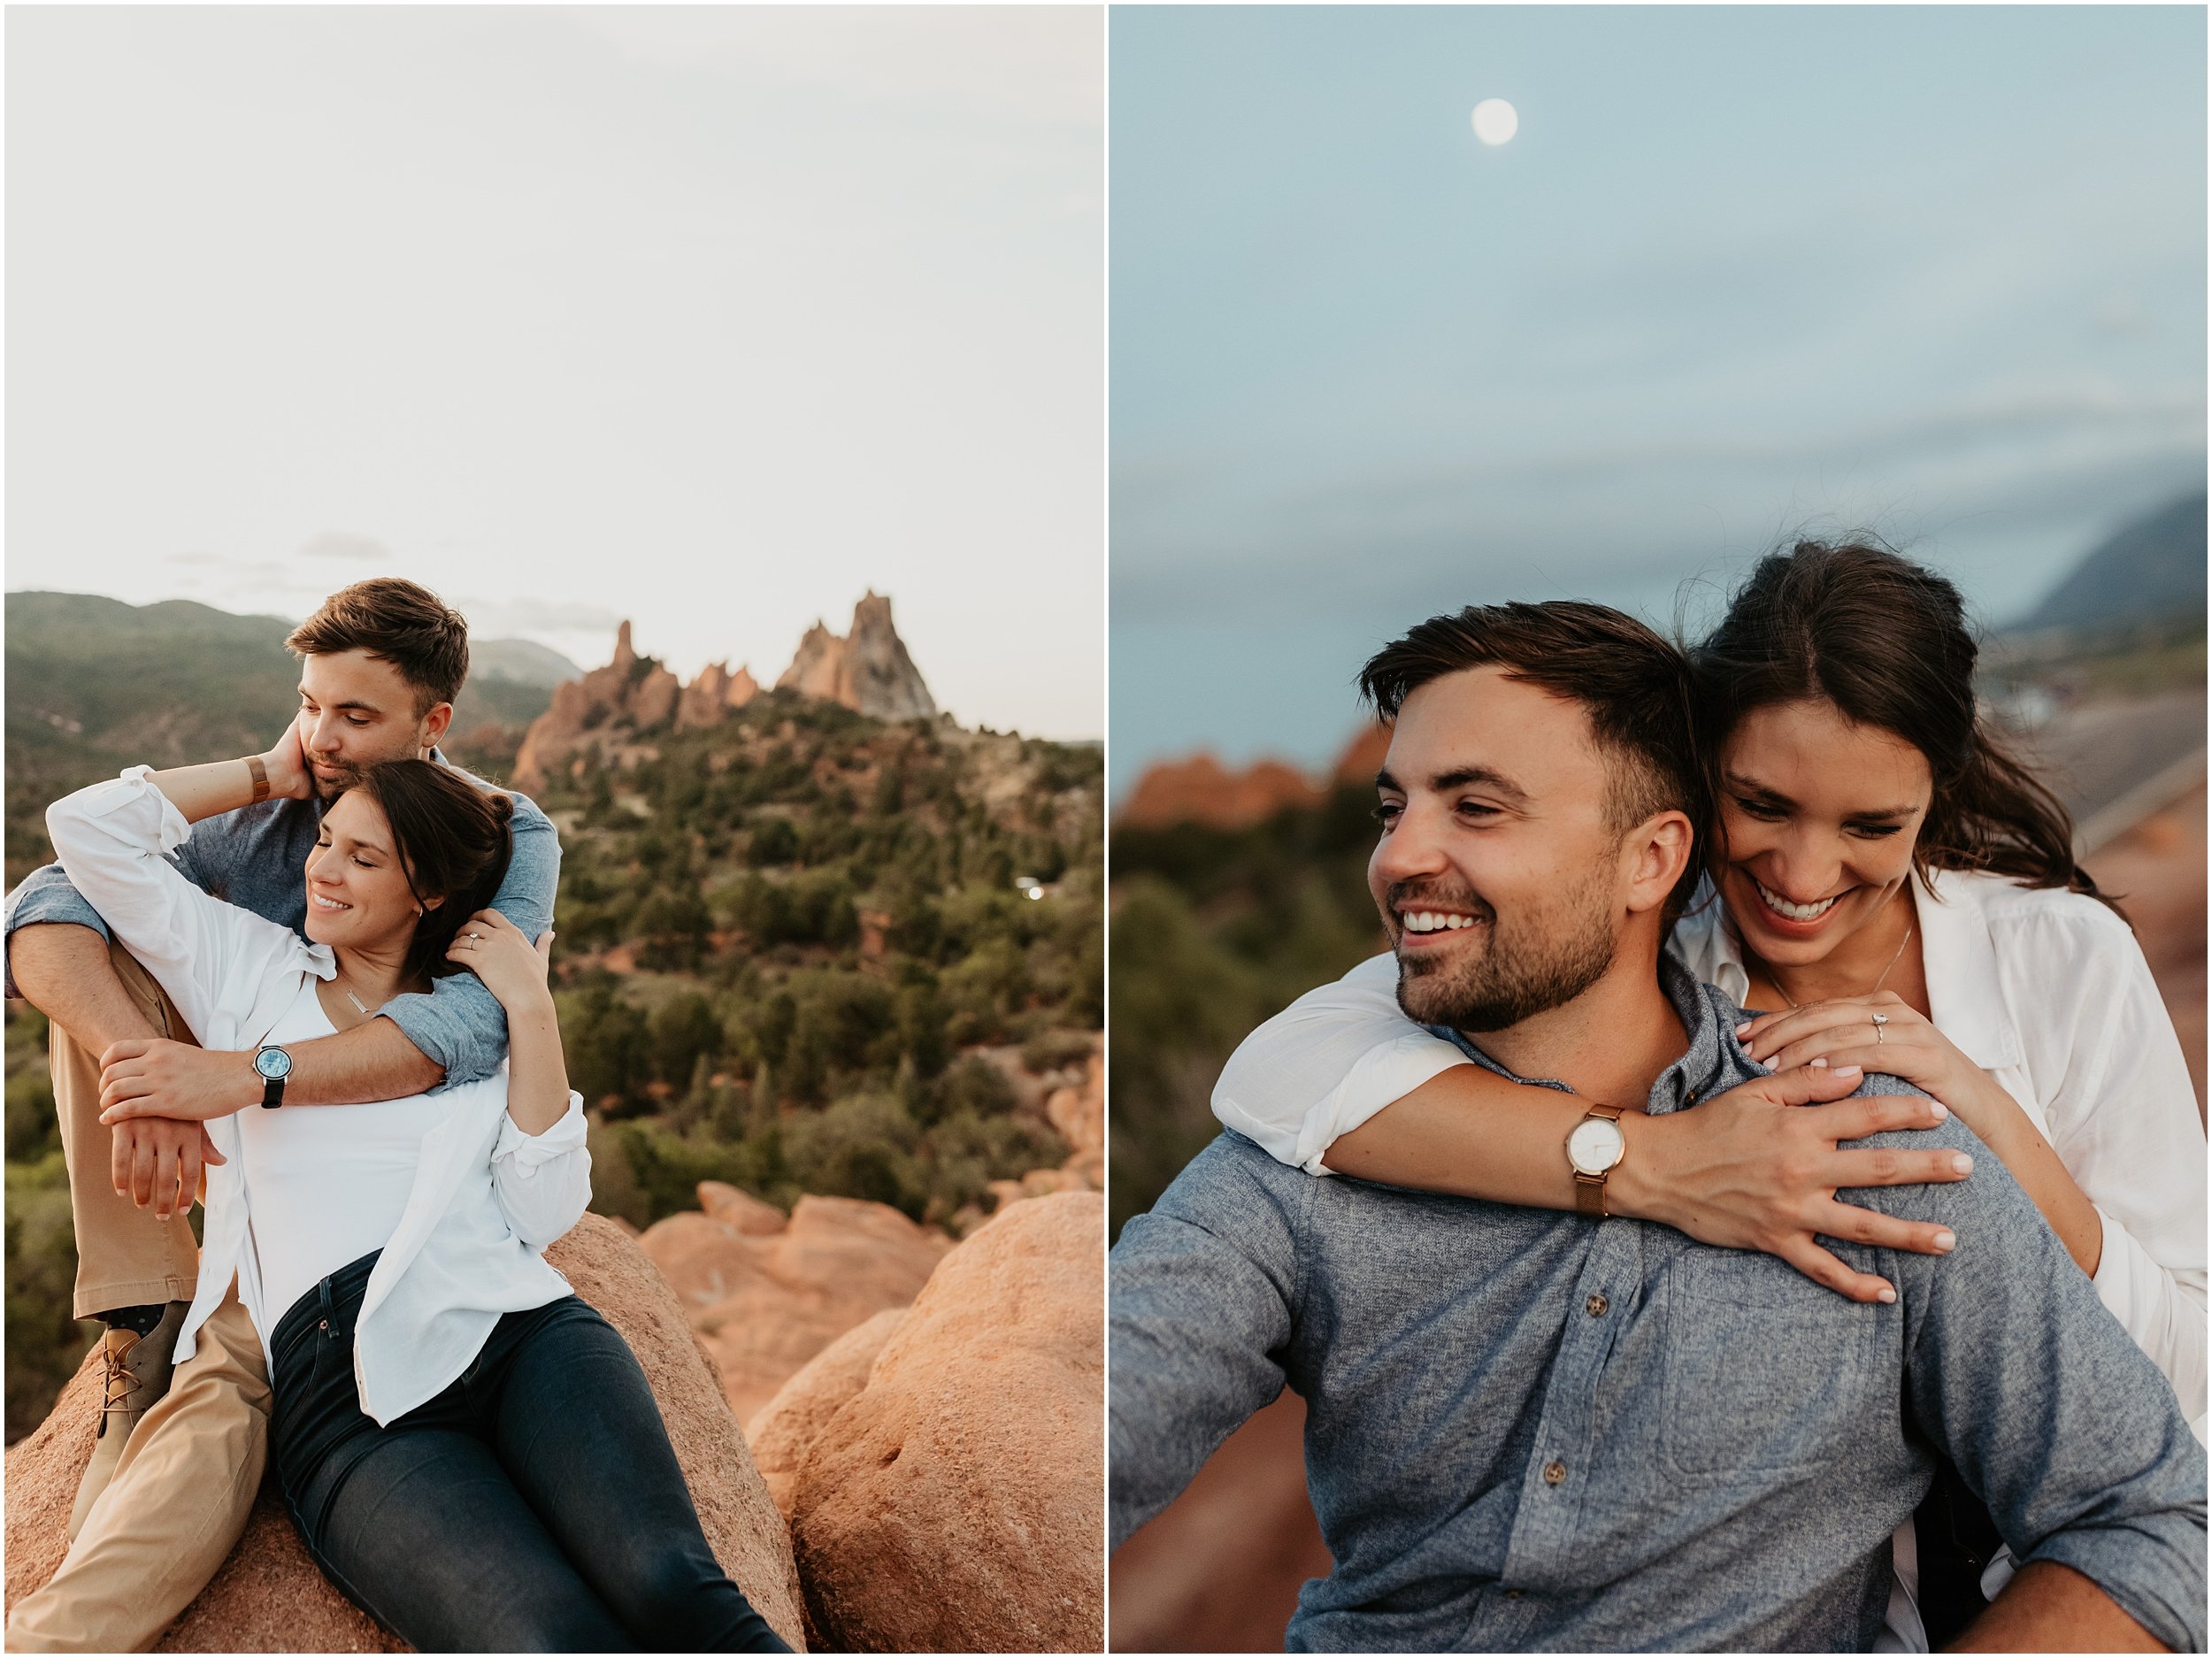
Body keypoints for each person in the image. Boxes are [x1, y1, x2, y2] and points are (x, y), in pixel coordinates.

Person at [1109, 601, 2206, 1652]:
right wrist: (1645, 1160)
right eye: (1391, 808)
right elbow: (1259, 1094)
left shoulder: (1875, 1138)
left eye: (1478, 806)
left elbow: (2153, 1505)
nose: (1397, 857)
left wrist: (1993, 1121)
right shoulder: (1321, 1140)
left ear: (1649, 855)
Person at [29, 741, 787, 1651]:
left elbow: (543, 1208)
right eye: (324, 841)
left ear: (427, 890)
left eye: (363, 857)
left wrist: (532, 1009)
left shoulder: (469, 1021)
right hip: (346, 1395)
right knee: (545, 1636)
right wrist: (273, 772)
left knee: (671, 1584)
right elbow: (83, 829)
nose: (323, 870)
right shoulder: (249, 969)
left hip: (520, 1335)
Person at [3, 579, 561, 1650]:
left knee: (241, 1379)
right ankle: (143, 1310)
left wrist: (237, 1076)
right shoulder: (270, 802)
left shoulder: (496, 830)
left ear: (432, 723)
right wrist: (148, 1071)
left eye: (356, 715)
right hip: (250, 1128)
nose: (322, 735)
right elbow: (47, 896)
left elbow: (473, 1030)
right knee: (95, 980)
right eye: (309, 703)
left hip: (384, 1160)